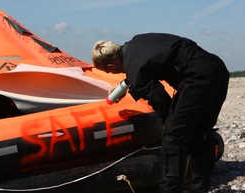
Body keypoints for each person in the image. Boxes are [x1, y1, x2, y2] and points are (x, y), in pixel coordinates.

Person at [91, 33, 229, 193]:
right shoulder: (137, 41)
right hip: (217, 68)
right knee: (202, 133)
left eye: (110, 73)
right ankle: (198, 189)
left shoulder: (133, 68)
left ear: (111, 67)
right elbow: (152, 62)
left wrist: (169, 121)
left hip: (197, 77)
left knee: (173, 137)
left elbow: (160, 98)